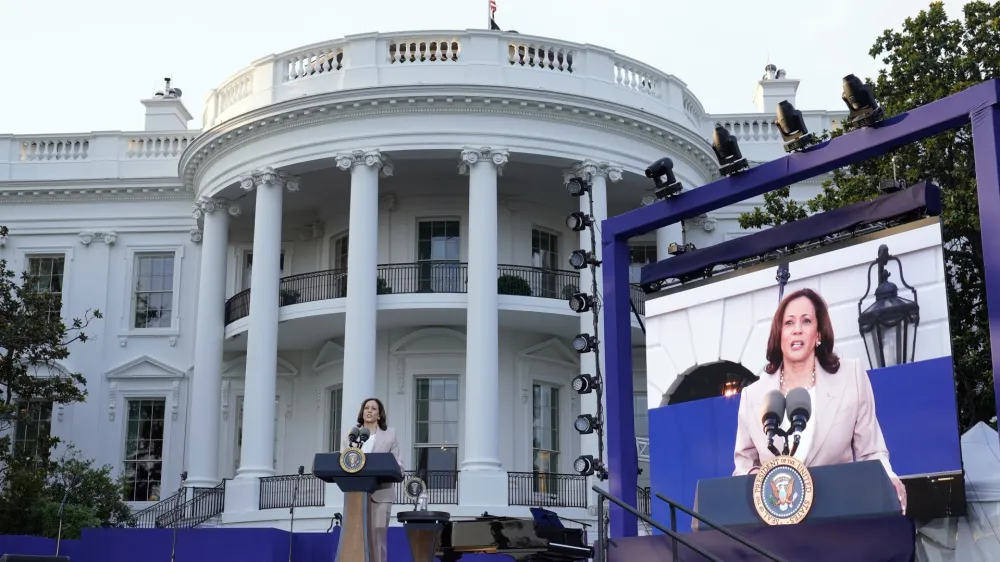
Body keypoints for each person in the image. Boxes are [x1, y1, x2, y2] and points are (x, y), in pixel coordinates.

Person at [732, 288, 907, 514]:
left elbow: (871, 451)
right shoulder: (753, 396)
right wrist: (760, 480)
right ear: (779, 334)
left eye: (806, 321)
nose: (797, 330)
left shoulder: (850, 376)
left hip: (839, 513)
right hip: (775, 524)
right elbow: (744, 465)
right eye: (789, 323)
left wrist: (888, 478)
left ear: (818, 334)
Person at [341, 397, 404, 562]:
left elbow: (399, 463)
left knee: (377, 536)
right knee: (355, 535)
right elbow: (343, 460)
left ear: (379, 414)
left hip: (381, 493)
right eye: (366, 408)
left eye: (373, 408)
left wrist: (395, 469)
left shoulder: (390, 434)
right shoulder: (351, 435)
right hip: (356, 494)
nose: (369, 411)